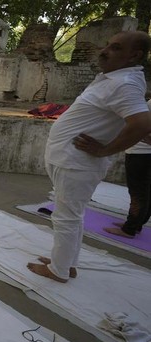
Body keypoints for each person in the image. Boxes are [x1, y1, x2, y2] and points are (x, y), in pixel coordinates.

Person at [28, 31, 151, 283]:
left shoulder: (124, 83)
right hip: (69, 159)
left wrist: (104, 150)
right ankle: (67, 263)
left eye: (115, 48)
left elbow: (141, 123)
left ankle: (58, 271)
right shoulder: (114, 79)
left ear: (134, 55)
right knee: (72, 214)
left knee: (65, 217)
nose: (105, 50)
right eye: (107, 44)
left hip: (77, 163)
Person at [104, 100, 151, 239]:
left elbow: (140, 125)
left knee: (138, 193)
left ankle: (129, 229)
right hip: (143, 154)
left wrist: (138, 135)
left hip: (140, 155)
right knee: (146, 192)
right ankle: (135, 224)